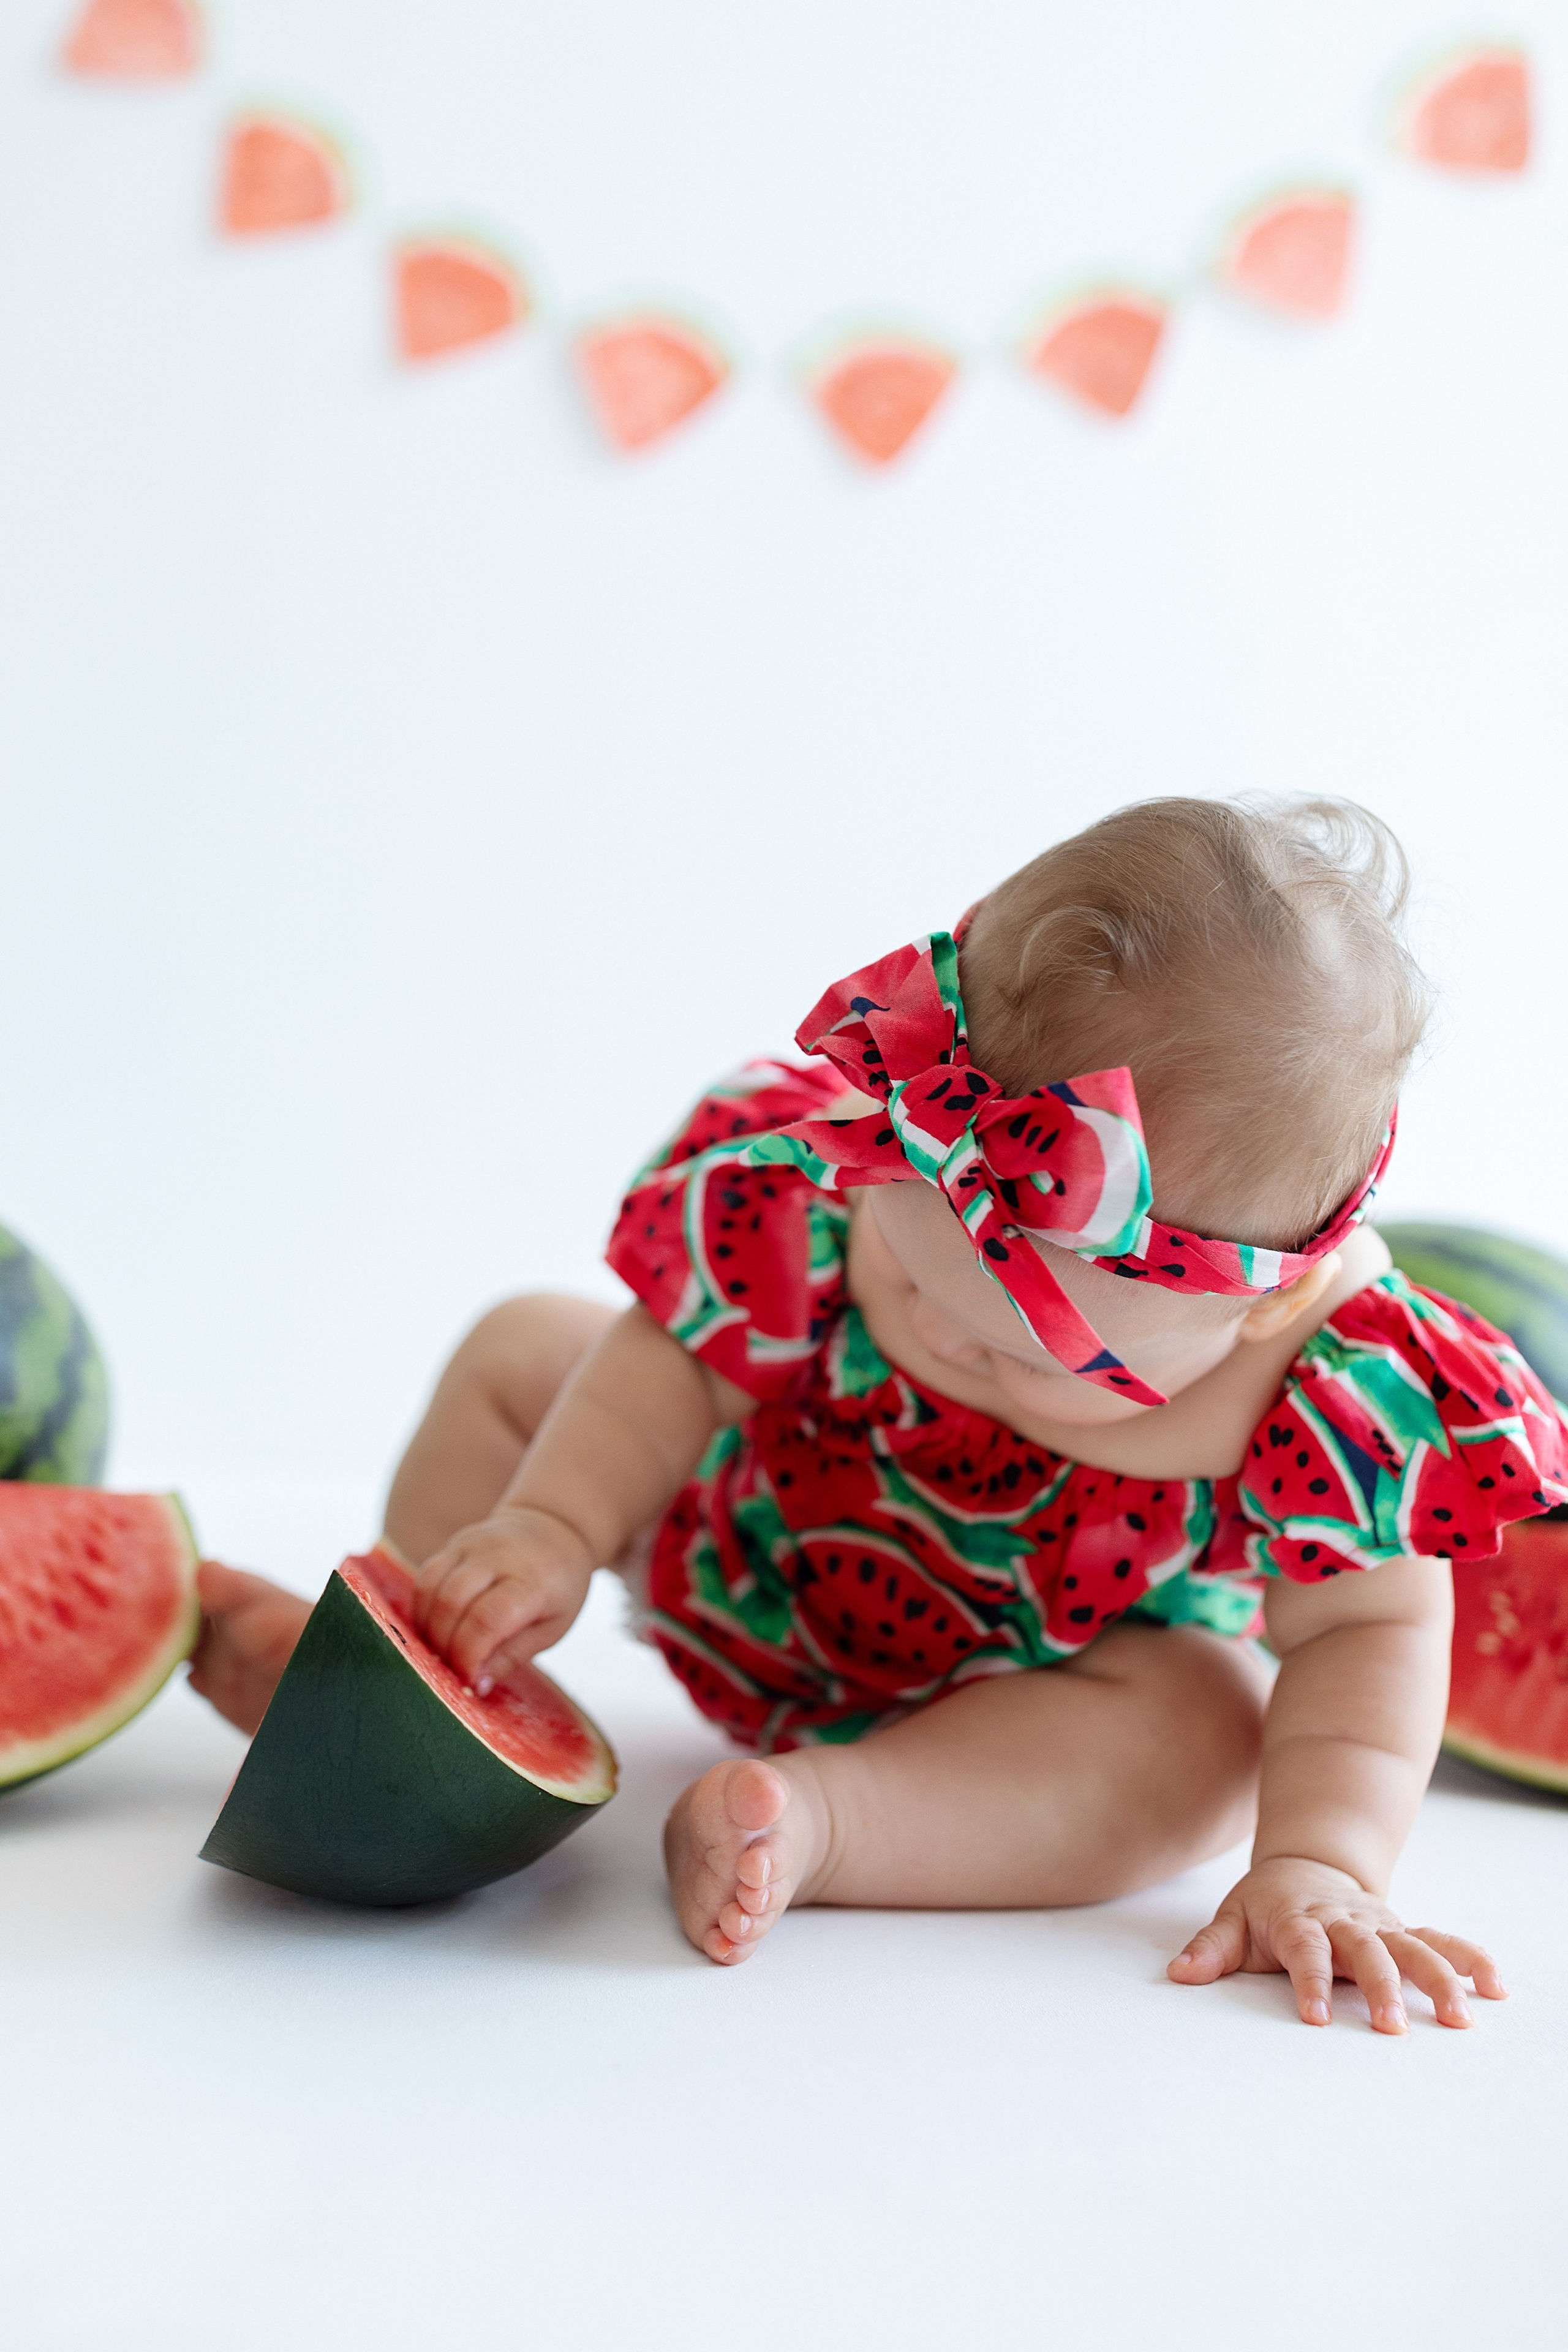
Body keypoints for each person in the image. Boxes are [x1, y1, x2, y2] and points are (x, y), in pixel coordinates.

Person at [192, 796, 1565, 2028]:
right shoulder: (831, 1175)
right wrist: (554, 1522)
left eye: (1039, 1356)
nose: (956, 1351)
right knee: (522, 1350)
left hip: (1024, 1698)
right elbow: (674, 1359)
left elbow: (1371, 1631)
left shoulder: (1322, 1390)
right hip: (742, 1548)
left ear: (1268, 1301)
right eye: (914, 1279)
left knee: (1206, 1733)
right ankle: (440, 1694)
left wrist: (1319, 1864)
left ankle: (833, 1824)